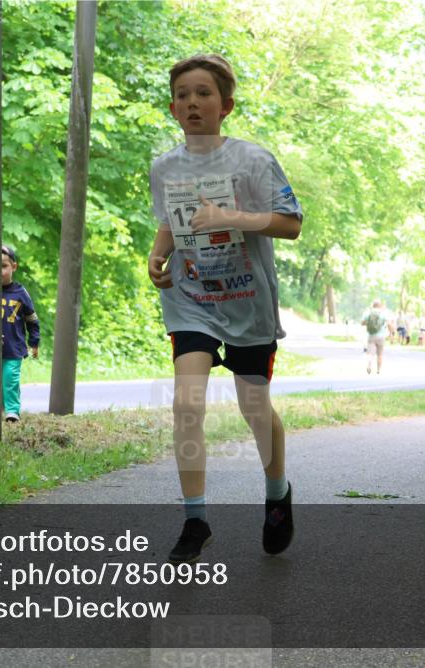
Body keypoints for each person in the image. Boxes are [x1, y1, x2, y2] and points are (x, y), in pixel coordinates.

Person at [147, 54, 302, 563]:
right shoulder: (164, 167)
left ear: (226, 105)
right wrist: (158, 253)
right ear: (173, 108)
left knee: (254, 408)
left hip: (247, 302)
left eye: (204, 93)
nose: (193, 102)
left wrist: (232, 216)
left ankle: (277, 493)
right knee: (186, 405)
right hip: (191, 301)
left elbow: (290, 223)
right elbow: (170, 220)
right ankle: (196, 520)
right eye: (184, 95)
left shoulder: (253, 161)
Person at [0, 246, 40, 422]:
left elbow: (32, 320)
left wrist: (34, 342)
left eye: (3, 266)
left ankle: (12, 411)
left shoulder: (20, 293)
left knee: (10, 379)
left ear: (13, 267)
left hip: (13, 347)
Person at [362, 300, 389, 375]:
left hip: (371, 335)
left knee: (370, 353)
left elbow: (362, 323)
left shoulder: (368, 312)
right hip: (381, 336)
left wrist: (369, 324)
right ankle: (378, 370)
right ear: (380, 306)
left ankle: (369, 365)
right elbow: (388, 323)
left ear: (373, 305)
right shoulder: (383, 313)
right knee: (380, 354)